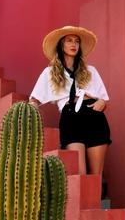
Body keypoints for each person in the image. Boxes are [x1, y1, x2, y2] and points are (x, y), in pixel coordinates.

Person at [29, 25, 111, 175]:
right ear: (61, 45)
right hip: (71, 118)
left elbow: (103, 99)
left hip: (95, 118)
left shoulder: (91, 71)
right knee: (79, 174)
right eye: (69, 41)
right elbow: (34, 100)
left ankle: (94, 199)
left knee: (95, 177)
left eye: (77, 41)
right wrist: (32, 118)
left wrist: (101, 103)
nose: (74, 44)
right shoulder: (50, 73)